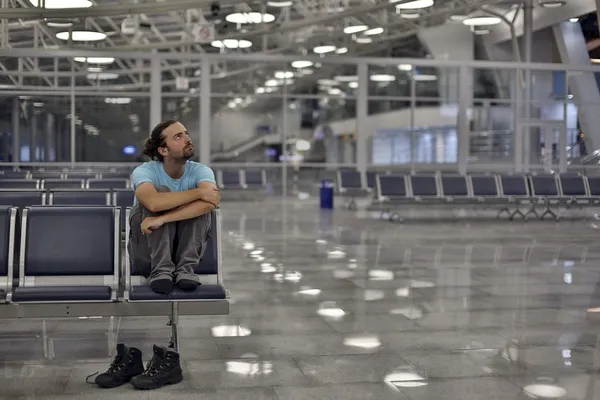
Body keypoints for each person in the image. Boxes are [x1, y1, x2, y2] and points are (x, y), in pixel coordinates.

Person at [92, 120, 220, 390]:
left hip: (183, 252)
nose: (187, 138)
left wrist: (166, 218)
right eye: (178, 136)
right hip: (147, 256)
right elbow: (152, 202)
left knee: (202, 207)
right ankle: (162, 270)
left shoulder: (201, 170)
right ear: (162, 150)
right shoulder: (145, 171)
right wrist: (196, 193)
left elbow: (213, 201)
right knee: (164, 194)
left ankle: (184, 269)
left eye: (186, 133)